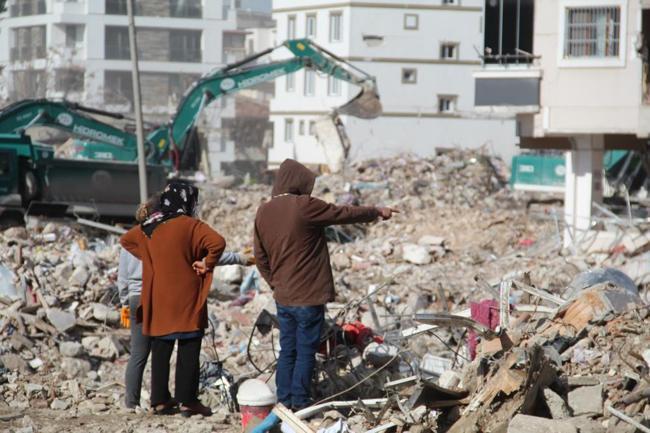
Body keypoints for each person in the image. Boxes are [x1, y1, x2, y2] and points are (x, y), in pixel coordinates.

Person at [253, 159, 397, 411]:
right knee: (306, 350)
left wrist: (274, 283)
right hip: (308, 296)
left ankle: (283, 401)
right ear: (298, 183)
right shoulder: (304, 206)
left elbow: (260, 256)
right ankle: (299, 401)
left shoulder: (264, 211)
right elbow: (342, 213)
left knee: (288, 350)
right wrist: (376, 211)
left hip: (283, 296)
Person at [118, 194, 254, 410]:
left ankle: (146, 401)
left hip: (143, 299)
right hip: (170, 297)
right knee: (189, 345)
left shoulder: (147, 231)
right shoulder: (187, 227)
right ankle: (187, 400)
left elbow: (124, 257)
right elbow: (215, 245)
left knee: (148, 352)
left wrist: (125, 300)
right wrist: (234, 259)